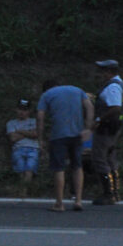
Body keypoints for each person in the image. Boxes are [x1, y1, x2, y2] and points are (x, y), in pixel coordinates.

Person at [36, 79, 94, 212]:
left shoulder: (46, 95)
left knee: (59, 168)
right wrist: (88, 128)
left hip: (58, 135)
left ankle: (59, 203)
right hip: (77, 134)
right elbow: (90, 106)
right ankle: (78, 201)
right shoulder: (77, 89)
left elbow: (40, 117)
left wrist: (40, 139)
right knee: (77, 166)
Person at [91, 59, 123, 205]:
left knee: (100, 158)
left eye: (103, 71)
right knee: (110, 159)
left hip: (106, 127)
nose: (101, 74)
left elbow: (115, 107)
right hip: (112, 127)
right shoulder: (118, 84)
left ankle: (108, 193)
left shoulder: (113, 87)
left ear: (109, 72)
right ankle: (114, 192)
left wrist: (99, 119)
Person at [5, 98, 39, 182]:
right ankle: (21, 188)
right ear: (16, 109)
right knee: (20, 168)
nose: (22, 112)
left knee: (30, 167)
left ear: (29, 111)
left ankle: (26, 189)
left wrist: (19, 131)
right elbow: (13, 138)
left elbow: (36, 134)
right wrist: (29, 133)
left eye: (25, 110)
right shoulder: (11, 123)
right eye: (20, 109)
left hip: (33, 148)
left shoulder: (34, 121)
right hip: (18, 148)